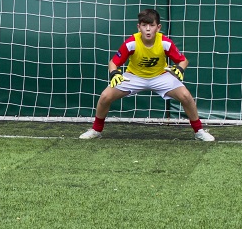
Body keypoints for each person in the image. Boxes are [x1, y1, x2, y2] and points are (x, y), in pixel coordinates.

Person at [79, 9, 215, 142]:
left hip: (161, 76)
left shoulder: (165, 42)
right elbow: (113, 62)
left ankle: (199, 131)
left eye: (152, 25)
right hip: (134, 76)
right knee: (105, 96)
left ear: (158, 27)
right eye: (144, 25)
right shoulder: (131, 42)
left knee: (186, 96)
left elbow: (183, 60)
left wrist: (180, 69)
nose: (148, 29)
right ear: (139, 27)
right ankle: (96, 130)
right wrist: (114, 73)